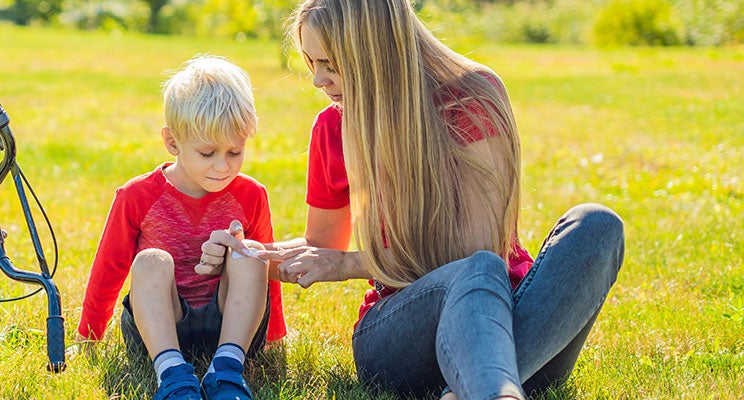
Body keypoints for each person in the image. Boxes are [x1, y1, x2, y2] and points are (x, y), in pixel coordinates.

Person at [198, 1, 625, 399]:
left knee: (597, 225)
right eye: (312, 63)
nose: (317, 80)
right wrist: (248, 255)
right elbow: (322, 247)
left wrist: (351, 263)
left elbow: (475, 248)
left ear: (378, 52)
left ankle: (484, 384)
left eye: (331, 64)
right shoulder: (333, 128)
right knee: (477, 272)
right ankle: (495, 387)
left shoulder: (471, 97)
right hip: (404, 333)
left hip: (524, 322)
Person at [76, 54, 287, 400]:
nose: (223, 166)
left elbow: (270, 276)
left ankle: (228, 369)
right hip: (160, 326)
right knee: (150, 262)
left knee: (252, 253)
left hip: (230, 325)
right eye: (207, 153)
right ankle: (172, 374)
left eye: (235, 151)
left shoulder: (252, 194)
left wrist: (274, 335)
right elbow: (108, 268)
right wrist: (89, 338)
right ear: (173, 143)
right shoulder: (137, 195)